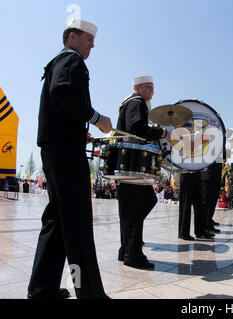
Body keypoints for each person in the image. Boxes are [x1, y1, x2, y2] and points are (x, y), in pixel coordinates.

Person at [28, 19, 112, 299]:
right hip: (65, 152)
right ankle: (89, 293)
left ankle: (42, 288)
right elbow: (61, 92)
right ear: (73, 37)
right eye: (89, 40)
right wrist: (96, 119)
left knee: (57, 221)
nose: (92, 46)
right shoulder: (71, 59)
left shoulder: (58, 61)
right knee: (76, 222)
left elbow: (59, 105)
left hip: (56, 147)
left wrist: (81, 132)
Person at [116, 75, 169, 269]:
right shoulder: (136, 102)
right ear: (137, 88)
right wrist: (161, 133)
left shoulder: (130, 103)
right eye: (148, 87)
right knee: (137, 206)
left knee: (133, 208)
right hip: (132, 164)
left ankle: (126, 249)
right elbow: (136, 128)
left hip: (127, 163)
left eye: (153, 88)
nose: (152, 91)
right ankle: (133, 254)